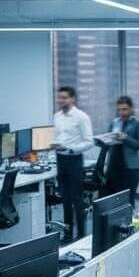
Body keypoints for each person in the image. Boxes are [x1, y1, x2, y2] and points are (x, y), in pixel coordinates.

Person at [52, 86, 94, 240]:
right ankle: (68, 234)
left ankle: (82, 235)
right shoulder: (56, 116)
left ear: (72, 99)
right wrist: (53, 145)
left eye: (64, 98)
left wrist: (70, 148)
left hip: (74, 159)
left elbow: (89, 141)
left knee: (76, 199)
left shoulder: (81, 117)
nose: (61, 100)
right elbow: (57, 137)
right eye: (60, 97)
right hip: (60, 159)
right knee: (65, 199)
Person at [103, 95, 139, 204]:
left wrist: (126, 138)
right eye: (119, 110)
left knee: (128, 201)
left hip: (131, 168)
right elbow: (108, 141)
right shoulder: (114, 122)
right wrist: (102, 141)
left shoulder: (137, 123)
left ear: (131, 109)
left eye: (125, 109)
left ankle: (129, 221)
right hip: (114, 166)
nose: (122, 112)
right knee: (112, 199)